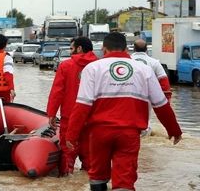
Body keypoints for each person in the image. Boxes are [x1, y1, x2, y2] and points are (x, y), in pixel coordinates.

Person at [64, 32, 182, 191]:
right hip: (129, 134)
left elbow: (82, 105)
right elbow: (161, 104)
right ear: (127, 49)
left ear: (104, 49)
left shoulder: (92, 68)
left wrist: (72, 134)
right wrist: (173, 129)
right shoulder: (144, 69)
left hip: (99, 133)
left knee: (97, 175)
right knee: (125, 180)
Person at [46, 37, 98, 176]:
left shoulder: (66, 66)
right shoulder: (100, 66)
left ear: (79, 48)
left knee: (67, 156)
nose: (70, 51)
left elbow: (57, 92)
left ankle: (67, 182)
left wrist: (51, 113)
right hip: (94, 118)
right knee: (91, 159)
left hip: (70, 117)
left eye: (71, 48)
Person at [131, 39, 172, 136]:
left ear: (133, 49)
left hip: (127, 94)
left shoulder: (126, 60)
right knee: (145, 120)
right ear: (146, 50)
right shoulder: (154, 62)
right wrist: (166, 99)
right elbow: (164, 82)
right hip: (147, 96)